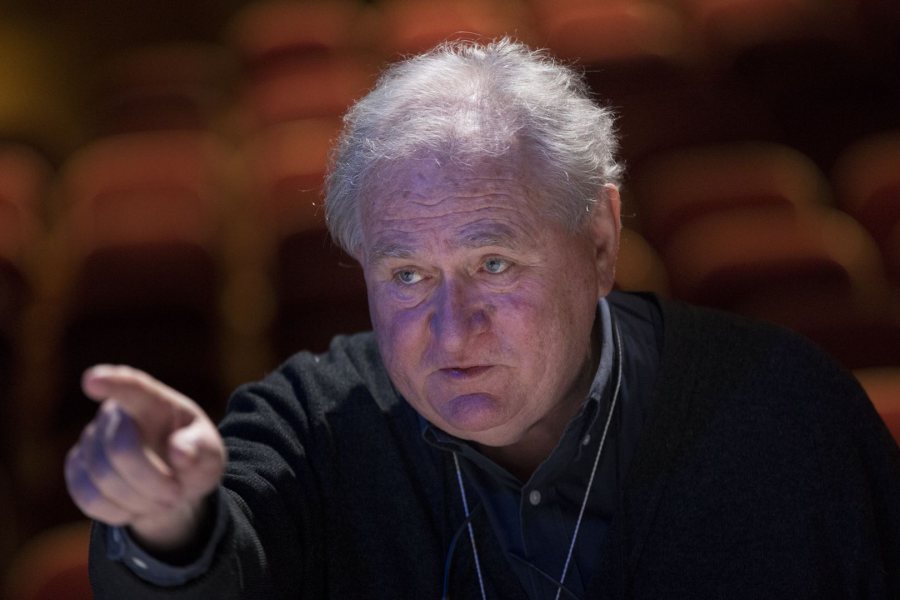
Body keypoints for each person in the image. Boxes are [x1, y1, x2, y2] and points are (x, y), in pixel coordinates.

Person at [65, 39, 900, 599]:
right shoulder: (311, 423)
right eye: (406, 275)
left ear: (600, 241)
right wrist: (169, 520)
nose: (452, 329)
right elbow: (224, 562)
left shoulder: (788, 412)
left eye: (493, 265)